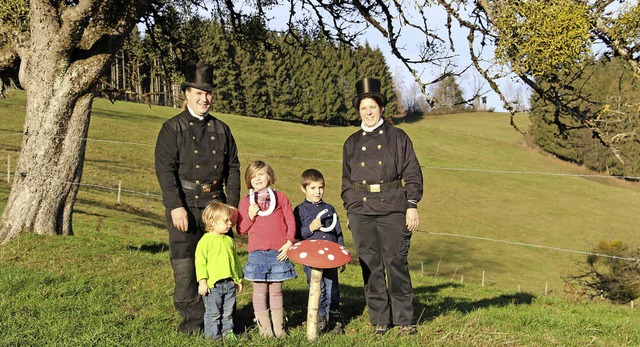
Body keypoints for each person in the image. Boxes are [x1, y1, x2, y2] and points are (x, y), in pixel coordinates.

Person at [155, 62, 241, 334]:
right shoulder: (173, 128)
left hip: (216, 205)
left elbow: (234, 168)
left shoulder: (222, 129)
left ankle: (222, 319)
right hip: (186, 205)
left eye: (208, 93)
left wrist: (232, 206)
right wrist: (175, 206)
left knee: (220, 263)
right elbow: (165, 170)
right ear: (187, 94)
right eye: (198, 93)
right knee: (185, 263)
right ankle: (192, 323)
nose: (204, 99)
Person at [341, 77, 423, 336]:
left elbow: (413, 173)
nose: (368, 112)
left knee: (395, 262)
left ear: (381, 109)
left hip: (393, 209)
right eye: (363, 108)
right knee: (370, 266)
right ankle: (379, 320)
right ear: (358, 111)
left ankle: (404, 320)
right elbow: (346, 181)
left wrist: (411, 205)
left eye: (372, 107)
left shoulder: (398, 137)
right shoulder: (351, 143)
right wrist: (351, 209)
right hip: (362, 211)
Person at [237, 160, 297, 338]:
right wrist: (249, 215)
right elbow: (241, 230)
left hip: (278, 253)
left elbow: (290, 221)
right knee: (260, 291)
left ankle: (279, 329)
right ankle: (265, 331)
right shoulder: (246, 202)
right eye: (253, 176)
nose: (258, 178)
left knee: (276, 290)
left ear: (269, 176)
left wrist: (289, 242)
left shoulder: (281, 197)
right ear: (248, 179)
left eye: (261, 174)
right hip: (257, 255)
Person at [294, 168, 346, 334]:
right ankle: (320, 317)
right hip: (312, 258)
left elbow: (337, 232)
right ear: (304, 189)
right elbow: (296, 235)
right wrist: (310, 228)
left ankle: (335, 318)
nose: (318, 192)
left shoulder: (330, 209)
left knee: (332, 287)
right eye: (313, 188)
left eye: (320, 187)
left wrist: (342, 254)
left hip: (331, 256)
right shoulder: (300, 210)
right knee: (318, 287)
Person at [195, 201, 243, 340]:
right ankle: (212, 337)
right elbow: (200, 263)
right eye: (226, 220)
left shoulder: (229, 240)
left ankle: (228, 333)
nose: (230, 223)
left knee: (228, 312)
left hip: (229, 284)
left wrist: (238, 279)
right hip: (213, 287)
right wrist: (202, 282)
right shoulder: (205, 241)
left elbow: (235, 261)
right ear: (213, 221)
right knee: (213, 313)